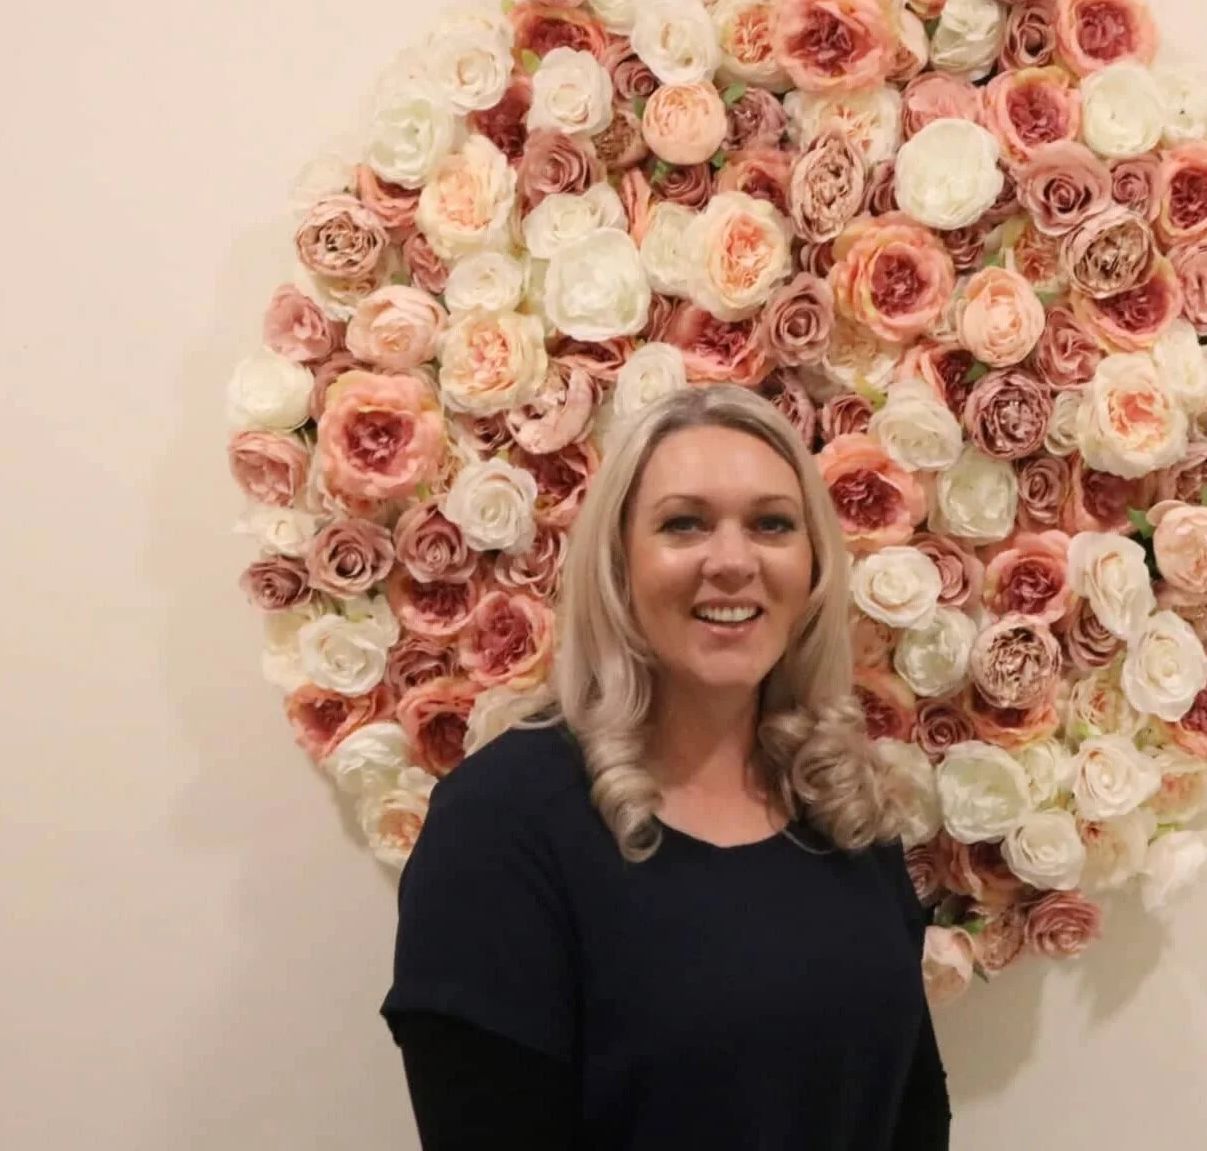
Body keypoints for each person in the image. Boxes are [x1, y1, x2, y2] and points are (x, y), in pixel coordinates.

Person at [380, 383, 951, 1148]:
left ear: (813, 564)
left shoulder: (843, 802)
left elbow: (913, 1114)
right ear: (619, 564)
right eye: (684, 524)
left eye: (772, 524)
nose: (733, 561)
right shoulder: (499, 829)